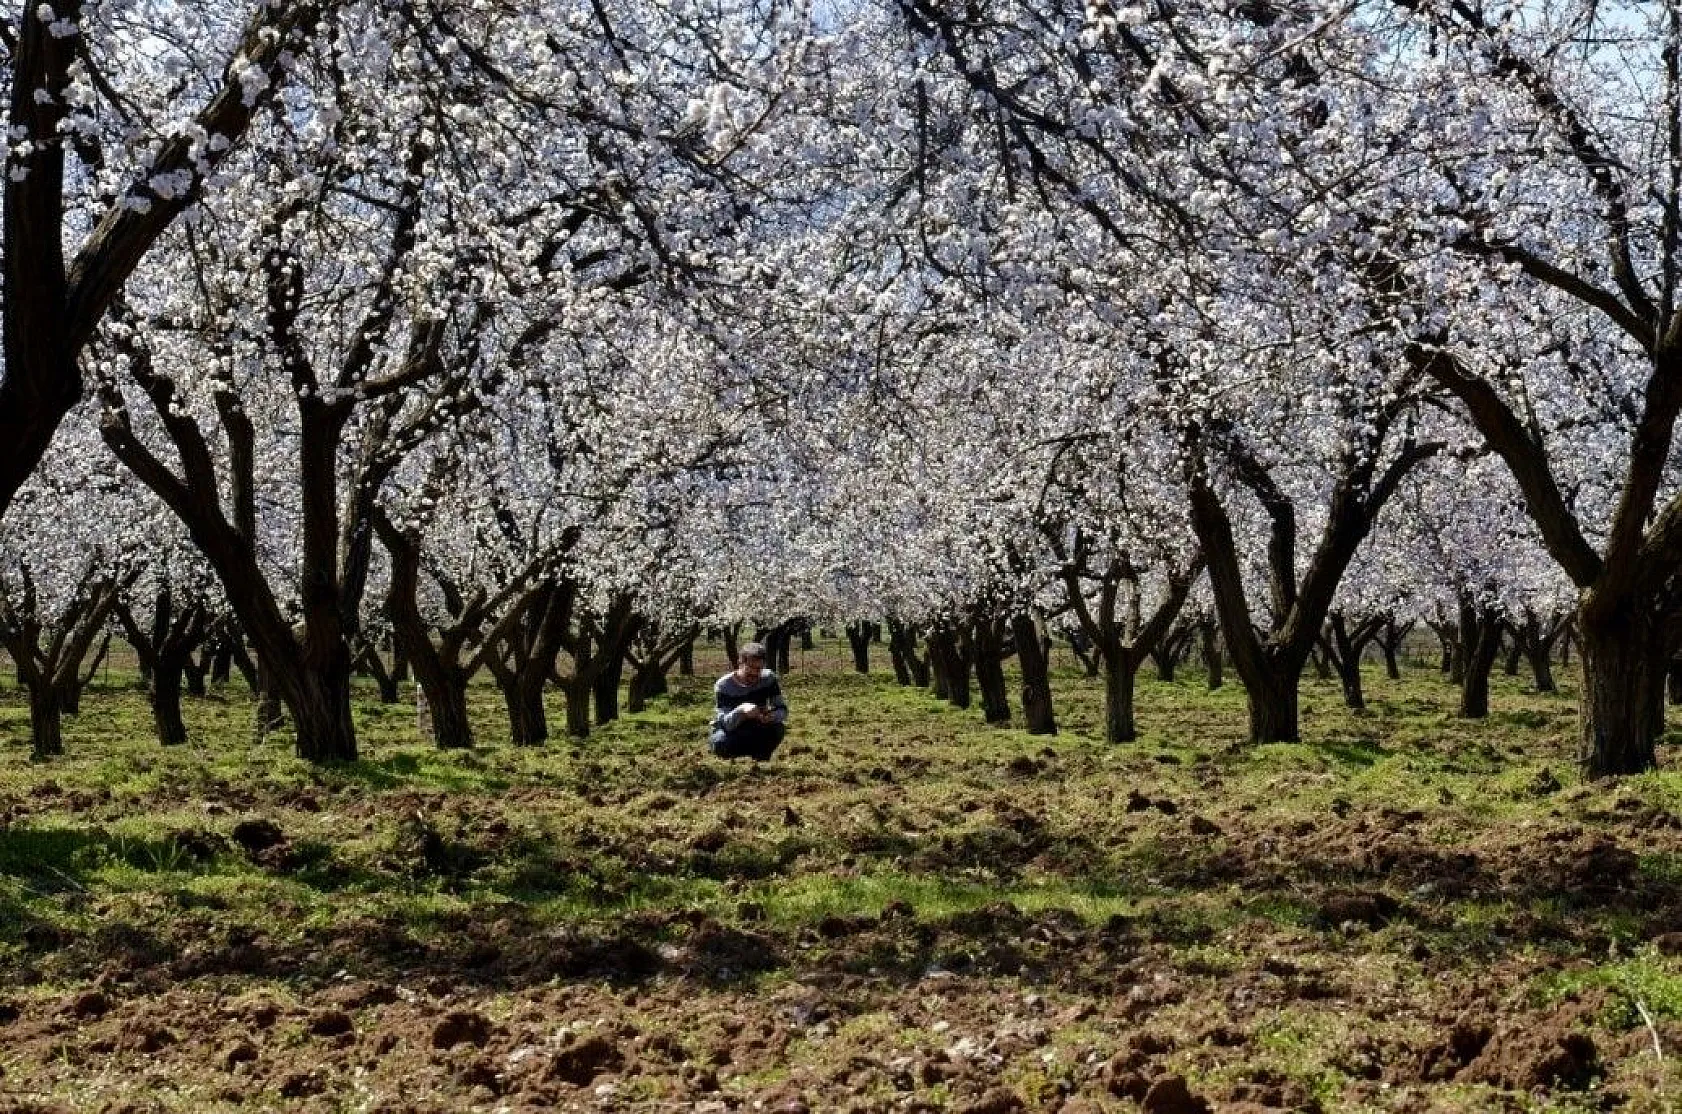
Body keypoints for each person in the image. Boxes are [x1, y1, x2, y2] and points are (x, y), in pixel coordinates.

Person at [710, 641, 787, 760]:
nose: (755, 673)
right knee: (721, 742)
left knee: (778, 728)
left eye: (759, 669)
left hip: (757, 726)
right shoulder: (724, 686)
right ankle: (734, 760)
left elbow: (782, 709)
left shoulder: (768, 679)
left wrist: (772, 716)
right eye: (751, 668)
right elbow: (725, 724)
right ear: (740, 663)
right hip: (733, 731)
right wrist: (741, 710)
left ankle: (761, 757)